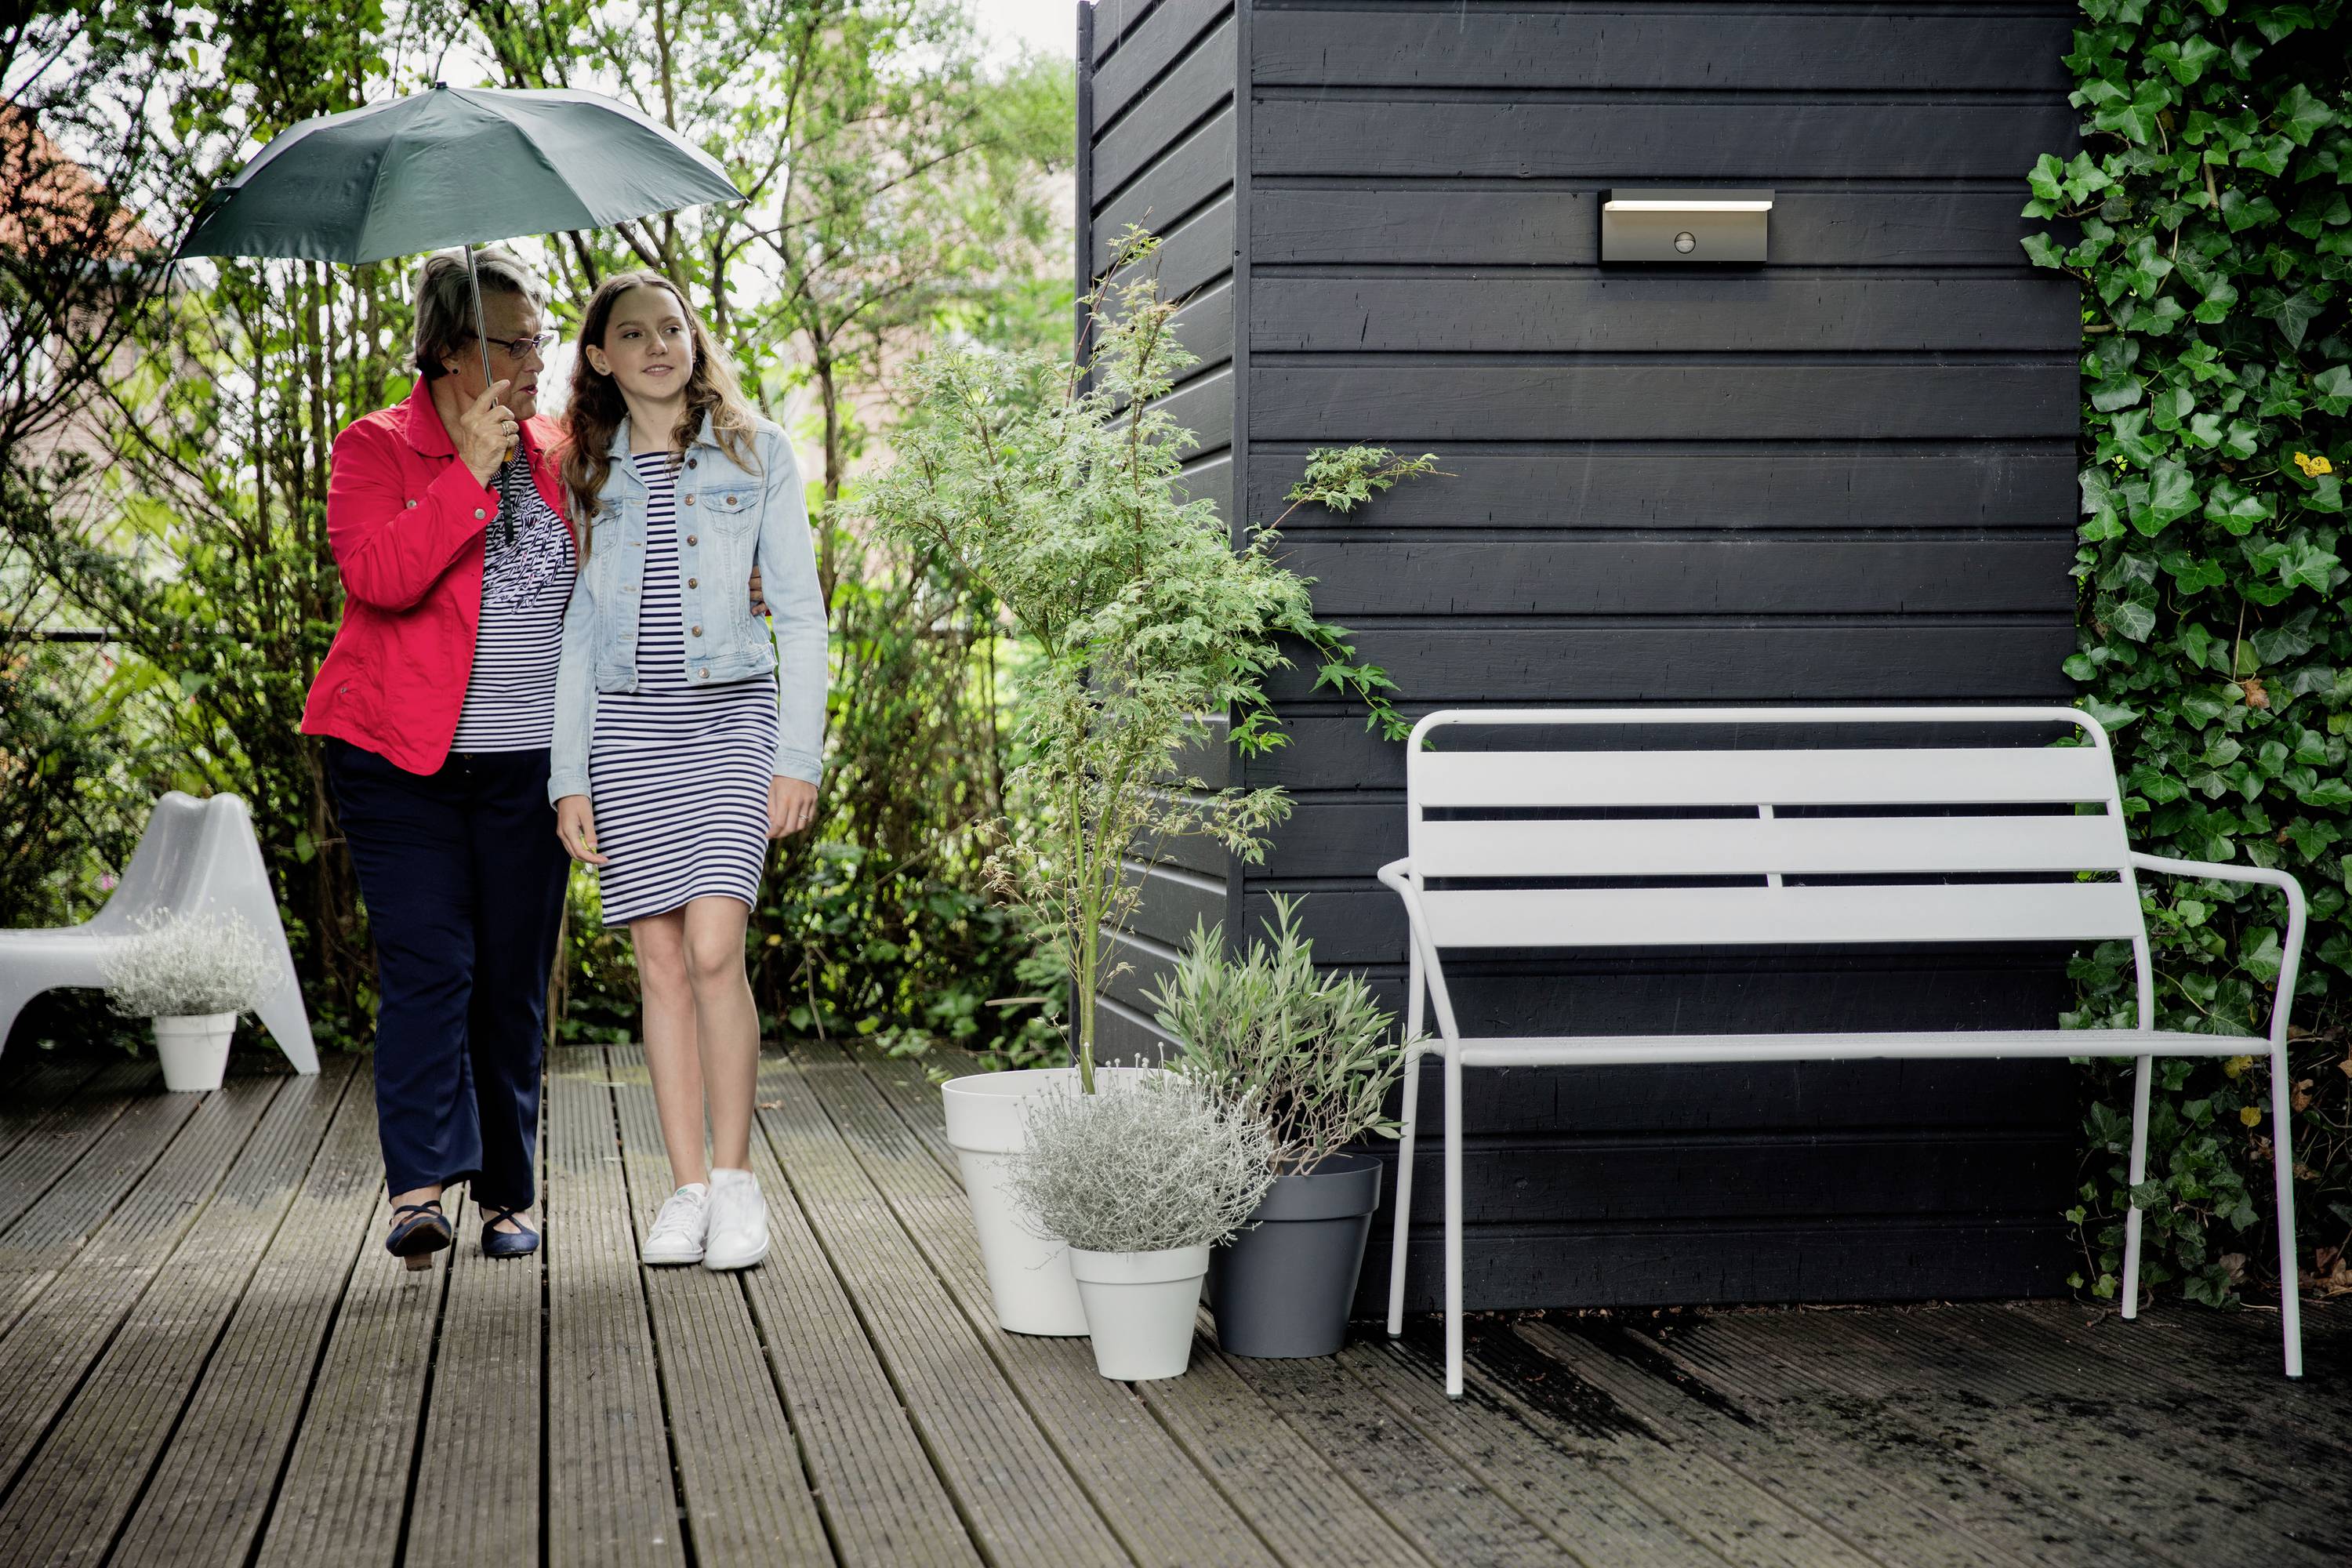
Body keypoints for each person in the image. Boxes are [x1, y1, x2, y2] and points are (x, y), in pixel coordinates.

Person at [302, 249, 766, 1269]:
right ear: (449, 349)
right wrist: (466, 473)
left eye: (540, 341)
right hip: (397, 760)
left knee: (512, 979)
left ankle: (507, 1192)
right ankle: (419, 1186)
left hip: (531, 765)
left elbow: (633, 565)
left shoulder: (561, 452)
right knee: (430, 963)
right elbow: (379, 578)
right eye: (513, 343)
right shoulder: (374, 448)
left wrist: (738, 578)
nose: (534, 362)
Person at [548, 270, 826, 1271]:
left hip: (731, 719)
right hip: (626, 731)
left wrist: (798, 754)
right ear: (600, 357)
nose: (659, 345)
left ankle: (738, 1179)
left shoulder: (758, 451)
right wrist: (568, 775)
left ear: (694, 340)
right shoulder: (587, 471)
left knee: (715, 948)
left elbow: (800, 613)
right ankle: (687, 1188)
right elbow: (578, 629)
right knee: (660, 963)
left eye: (672, 327)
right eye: (633, 333)